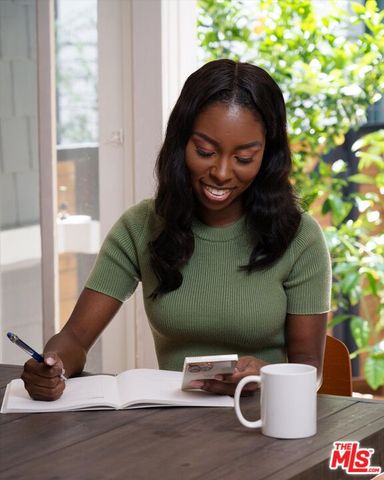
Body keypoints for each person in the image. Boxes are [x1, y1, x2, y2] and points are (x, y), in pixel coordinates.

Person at [21, 59, 331, 401]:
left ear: (267, 156)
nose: (222, 173)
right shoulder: (140, 227)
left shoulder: (300, 238)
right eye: (205, 151)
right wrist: (52, 366)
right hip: (172, 426)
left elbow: (309, 367)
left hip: (265, 421)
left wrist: (267, 377)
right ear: (181, 143)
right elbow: (75, 338)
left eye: (244, 158)